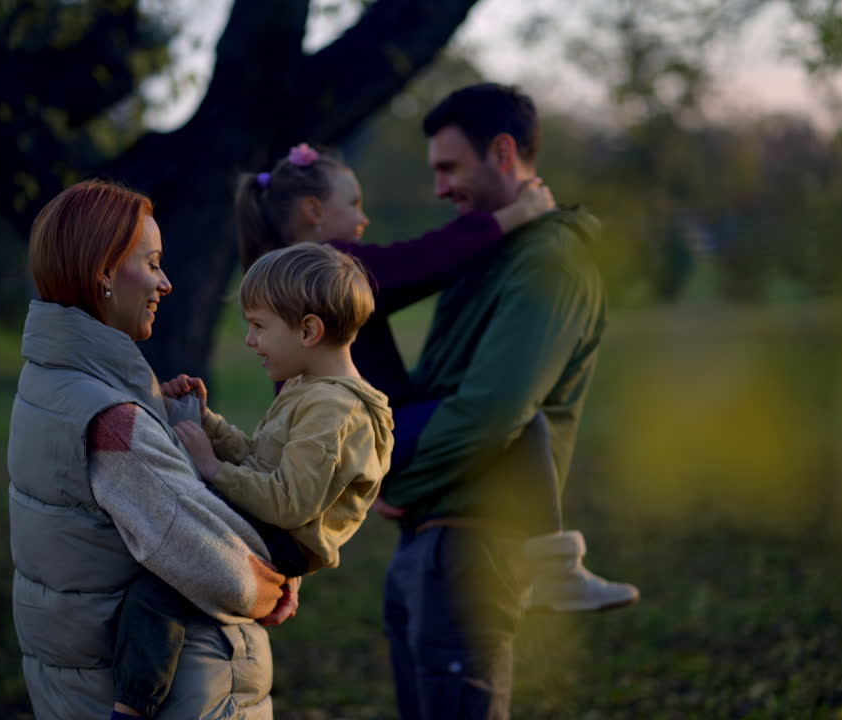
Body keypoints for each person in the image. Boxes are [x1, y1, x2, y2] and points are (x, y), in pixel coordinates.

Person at [234, 142, 636, 614]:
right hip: (369, 427)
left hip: (359, 433)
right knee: (521, 423)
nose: (363, 218)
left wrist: (371, 474)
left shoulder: (288, 284)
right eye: (354, 203)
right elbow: (425, 258)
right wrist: (517, 214)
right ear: (314, 211)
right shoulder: (326, 273)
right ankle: (557, 574)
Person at [7, 180, 295, 720]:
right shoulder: (114, 423)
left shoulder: (47, 381)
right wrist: (278, 582)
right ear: (104, 274)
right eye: (152, 263)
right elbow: (221, 570)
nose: (166, 282)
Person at [379, 82, 620, 719]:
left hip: (473, 545)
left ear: (504, 153)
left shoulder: (550, 263)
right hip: (428, 540)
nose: (439, 188)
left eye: (449, 168)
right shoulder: (489, 251)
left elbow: (492, 414)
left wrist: (401, 485)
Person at [109, 241, 395, 718]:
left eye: (259, 326)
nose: (249, 340)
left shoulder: (333, 409)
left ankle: (133, 706)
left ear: (308, 330)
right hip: (270, 523)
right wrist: (206, 422)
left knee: (162, 580)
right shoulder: (309, 388)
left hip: (281, 539)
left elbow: (289, 503)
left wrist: (212, 468)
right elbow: (261, 463)